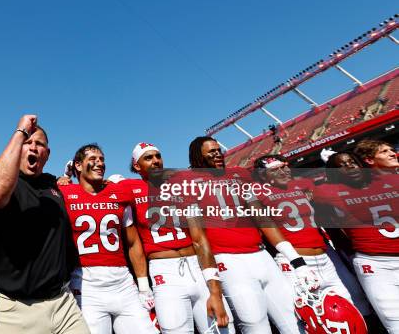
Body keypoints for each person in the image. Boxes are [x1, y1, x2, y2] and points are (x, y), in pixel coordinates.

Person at [182, 136, 319, 334]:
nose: (217, 154)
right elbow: (198, 237)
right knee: (254, 323)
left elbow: (263, 218)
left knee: (294, 319)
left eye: (218, 150)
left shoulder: (238, 174)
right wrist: (213, 283)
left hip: (261, 255)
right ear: (197, 156)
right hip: (228, 259)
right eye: (211, 152)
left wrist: (296, 260)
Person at [0, 115, 89, 334]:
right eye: (26, 142)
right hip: (13, 309)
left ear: (47, 154)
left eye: (39, 144)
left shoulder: (52, 185)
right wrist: (21, 130)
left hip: (62, 304)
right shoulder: (3, 182)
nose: (33, 148)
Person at [123, 142, 234, 334]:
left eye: (158, 156)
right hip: (164, 272)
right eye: (148, 158)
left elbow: (199, 237)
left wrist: (214, 288)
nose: (156, 161)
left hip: (196, 267)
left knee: (223, 330)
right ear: (136, 166)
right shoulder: (128, 188)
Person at [59, 144, 157, 334]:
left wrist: (144, 286)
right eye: (93, 159)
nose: (100, 164)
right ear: (78, 165)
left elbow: (133, 242)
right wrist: (64, 179)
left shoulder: (119, 193)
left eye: (102, 160)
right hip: (86, 285)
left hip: (123, 283)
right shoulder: (64, 193)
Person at [252, 154, 352, 300]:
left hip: (325, 255)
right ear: (262, 175)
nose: (283, 171)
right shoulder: (256, 193)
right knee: (312, 309)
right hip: (293, 258)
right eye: (275, 170)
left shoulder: (303, 184)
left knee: (352, 300)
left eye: (284, 166)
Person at [318, 151, 399, 333]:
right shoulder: (328, 192)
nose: (350, 166)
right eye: (341, 166)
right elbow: (333, 230)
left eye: (352, 162)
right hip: (375, 264)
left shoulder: (388, 182)